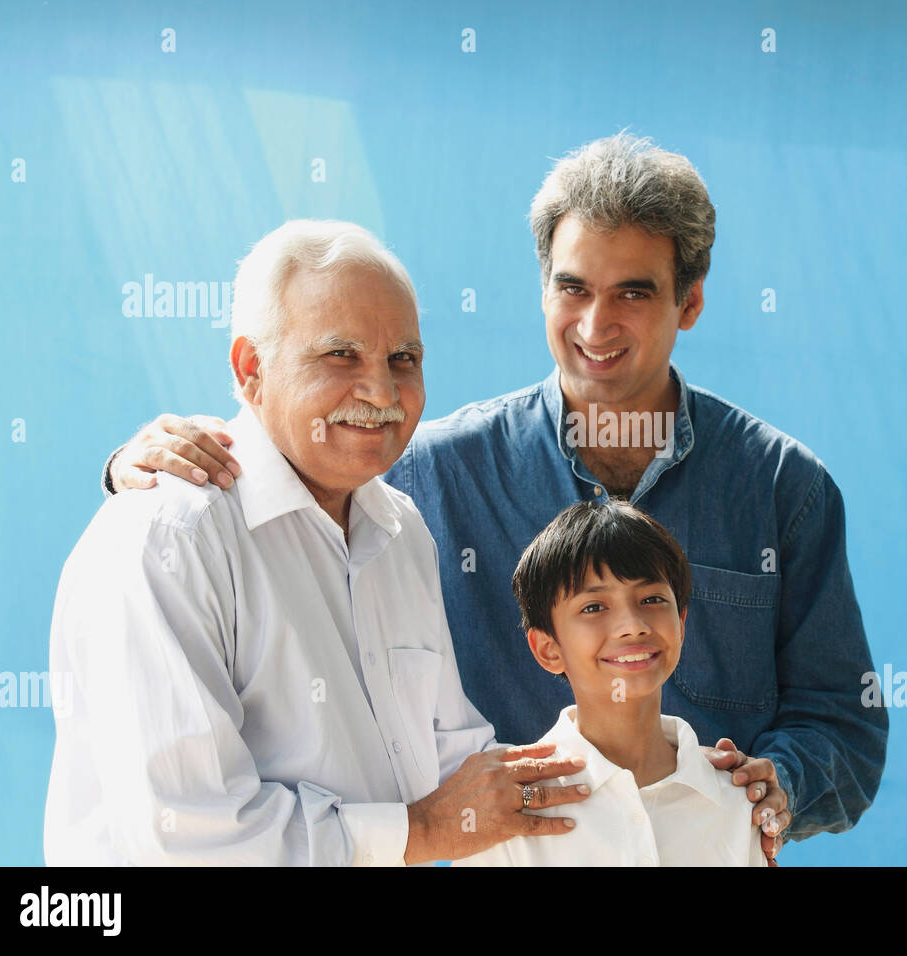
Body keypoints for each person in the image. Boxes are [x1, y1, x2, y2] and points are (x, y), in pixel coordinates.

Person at [102, 133, 888, 857]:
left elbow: (843, 724)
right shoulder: (424, 479)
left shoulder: (784, 489)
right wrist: (148, 463)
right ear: (543, 288)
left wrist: (772, 790)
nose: (595, 323)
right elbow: (296, 466)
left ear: (690, 302)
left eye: (634, 294)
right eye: (572, 287)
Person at [45, 220, 591, 866]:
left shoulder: (402, 529)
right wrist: (423, 832)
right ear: (251, 369)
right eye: (341, 355)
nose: (382, 393)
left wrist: (674, 783)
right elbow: (190, 835)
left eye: (403, 360)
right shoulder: (167, 539)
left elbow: (458, 764)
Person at [455, 499, 768, 866]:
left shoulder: (737, 801)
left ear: (681, 624)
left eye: (651, 599)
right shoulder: (508, 813)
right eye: (594, 607)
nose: (633, 624)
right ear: (548, 649)